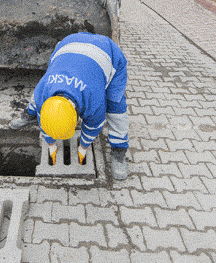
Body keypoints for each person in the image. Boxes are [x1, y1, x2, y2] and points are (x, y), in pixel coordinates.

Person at [10, 32, 130, 180]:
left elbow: (93, 127)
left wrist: (83, 148)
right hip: (67, 44)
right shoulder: (44, 88)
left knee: (115, 105)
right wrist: (51, 145)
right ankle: (29, 114)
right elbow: (44, 118)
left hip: (108, 53)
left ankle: (119, 149)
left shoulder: (95, 100)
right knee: (37, 96)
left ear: (77, 116)